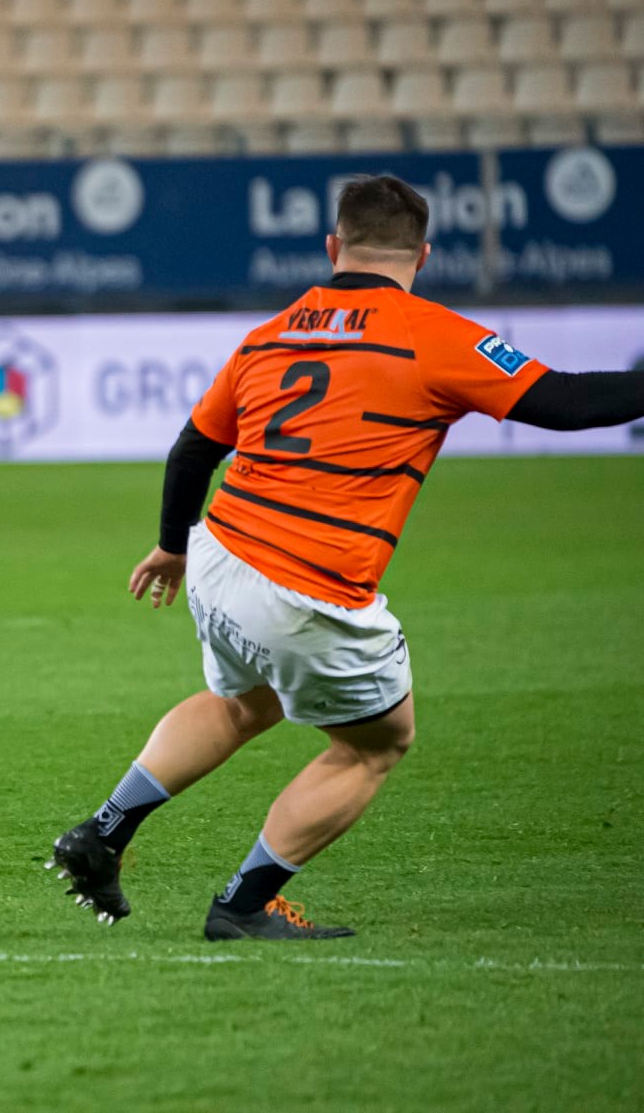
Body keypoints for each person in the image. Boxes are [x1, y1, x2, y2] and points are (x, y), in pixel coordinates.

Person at [47, 175, 644, 940]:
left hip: (221, 555)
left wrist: (172, 545)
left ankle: (104, 833)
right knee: (377, 743)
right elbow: (563, 404)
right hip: (306, 587)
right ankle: (245, 905)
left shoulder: (273, 332)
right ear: (423, 256)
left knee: (245, 703)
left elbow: (195, 446)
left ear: (333, 248)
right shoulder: (437, 334)